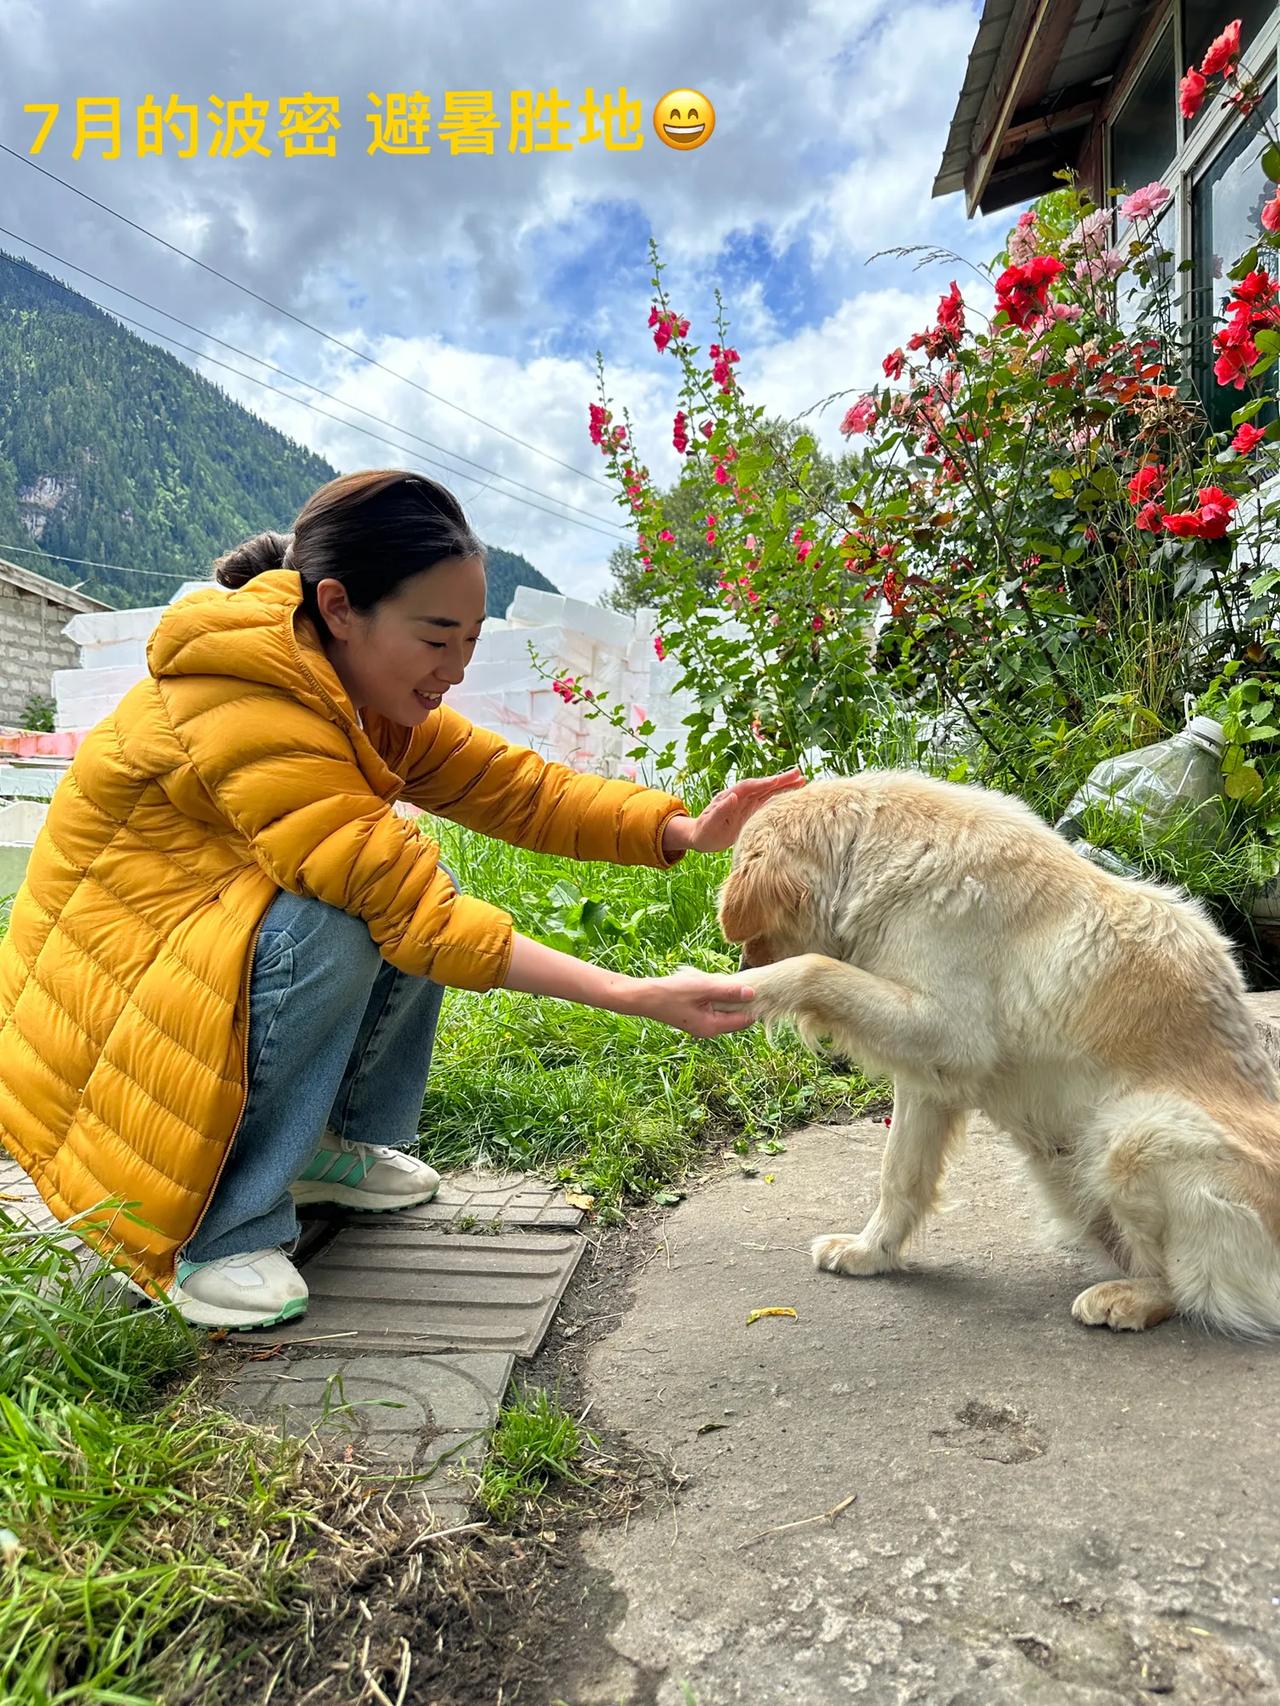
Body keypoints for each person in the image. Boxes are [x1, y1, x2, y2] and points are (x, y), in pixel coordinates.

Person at [0, 470, 804, 1329]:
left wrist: (683, 831)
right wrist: (631, 995)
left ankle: (316, 1147)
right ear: (342, 607)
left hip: (192, 953)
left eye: (470, 639)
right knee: (342, 925)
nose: (456, 668)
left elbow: (514, 788)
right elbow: (408, 907)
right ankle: (211, 1227)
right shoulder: (247, 695)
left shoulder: (353, 685)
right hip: (113, 1005)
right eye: (436, 638)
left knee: (392, 898)